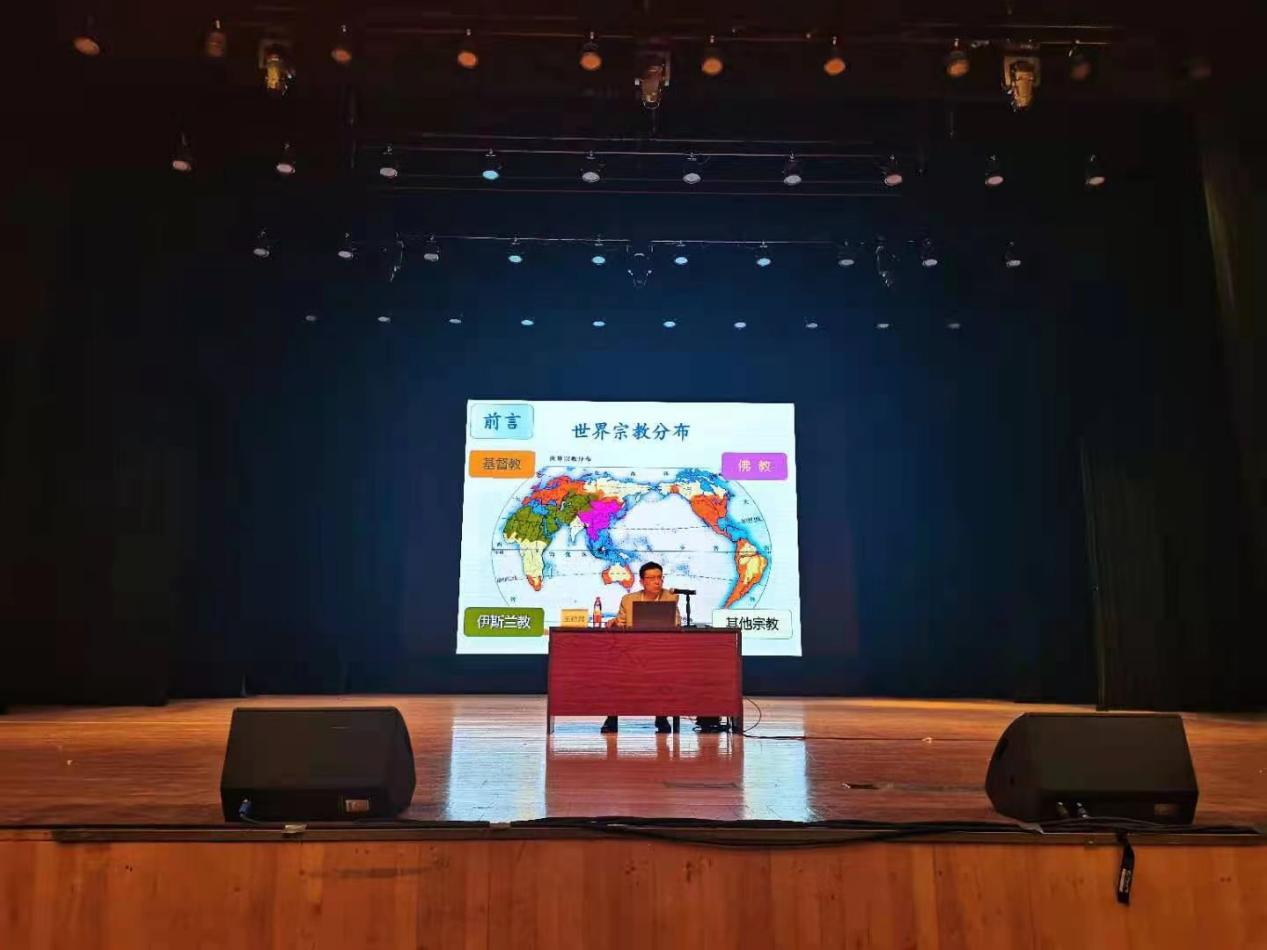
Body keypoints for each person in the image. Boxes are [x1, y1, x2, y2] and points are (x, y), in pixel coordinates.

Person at [601, 562, 679, 734]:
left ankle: (662, 716)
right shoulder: (628, 600)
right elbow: (620, 623)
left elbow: (676, 623)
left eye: (660, 577)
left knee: (664, 672)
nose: (657, 582)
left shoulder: (670, 597)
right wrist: (616, 623)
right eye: (652, 578)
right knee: (615, 673)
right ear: (642, 582)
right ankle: (611, 718)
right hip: (632, 651)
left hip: (660, 652)